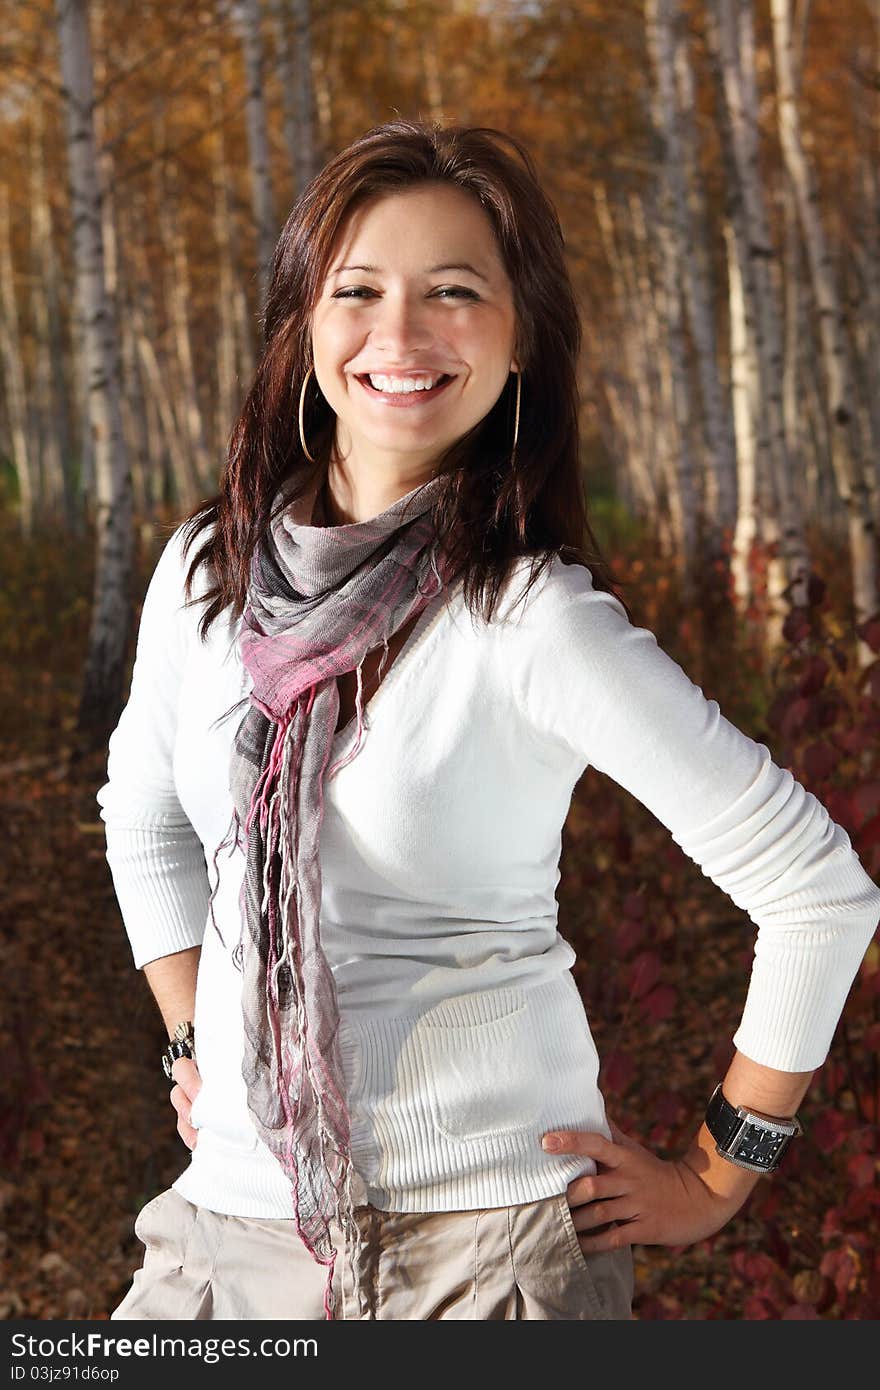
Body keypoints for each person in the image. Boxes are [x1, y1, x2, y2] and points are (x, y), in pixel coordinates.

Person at [97, 118, 880, 1323]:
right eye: (357, 289)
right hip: (230, 1228)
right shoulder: (207, 571)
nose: (399, 335)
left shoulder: (530, 619)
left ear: (520, 342)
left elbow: (817, 891)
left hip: (490, 1252)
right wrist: (192, 1035)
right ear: (304, 324)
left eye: (453, 293)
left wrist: (723, 1171)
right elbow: (144, 807)